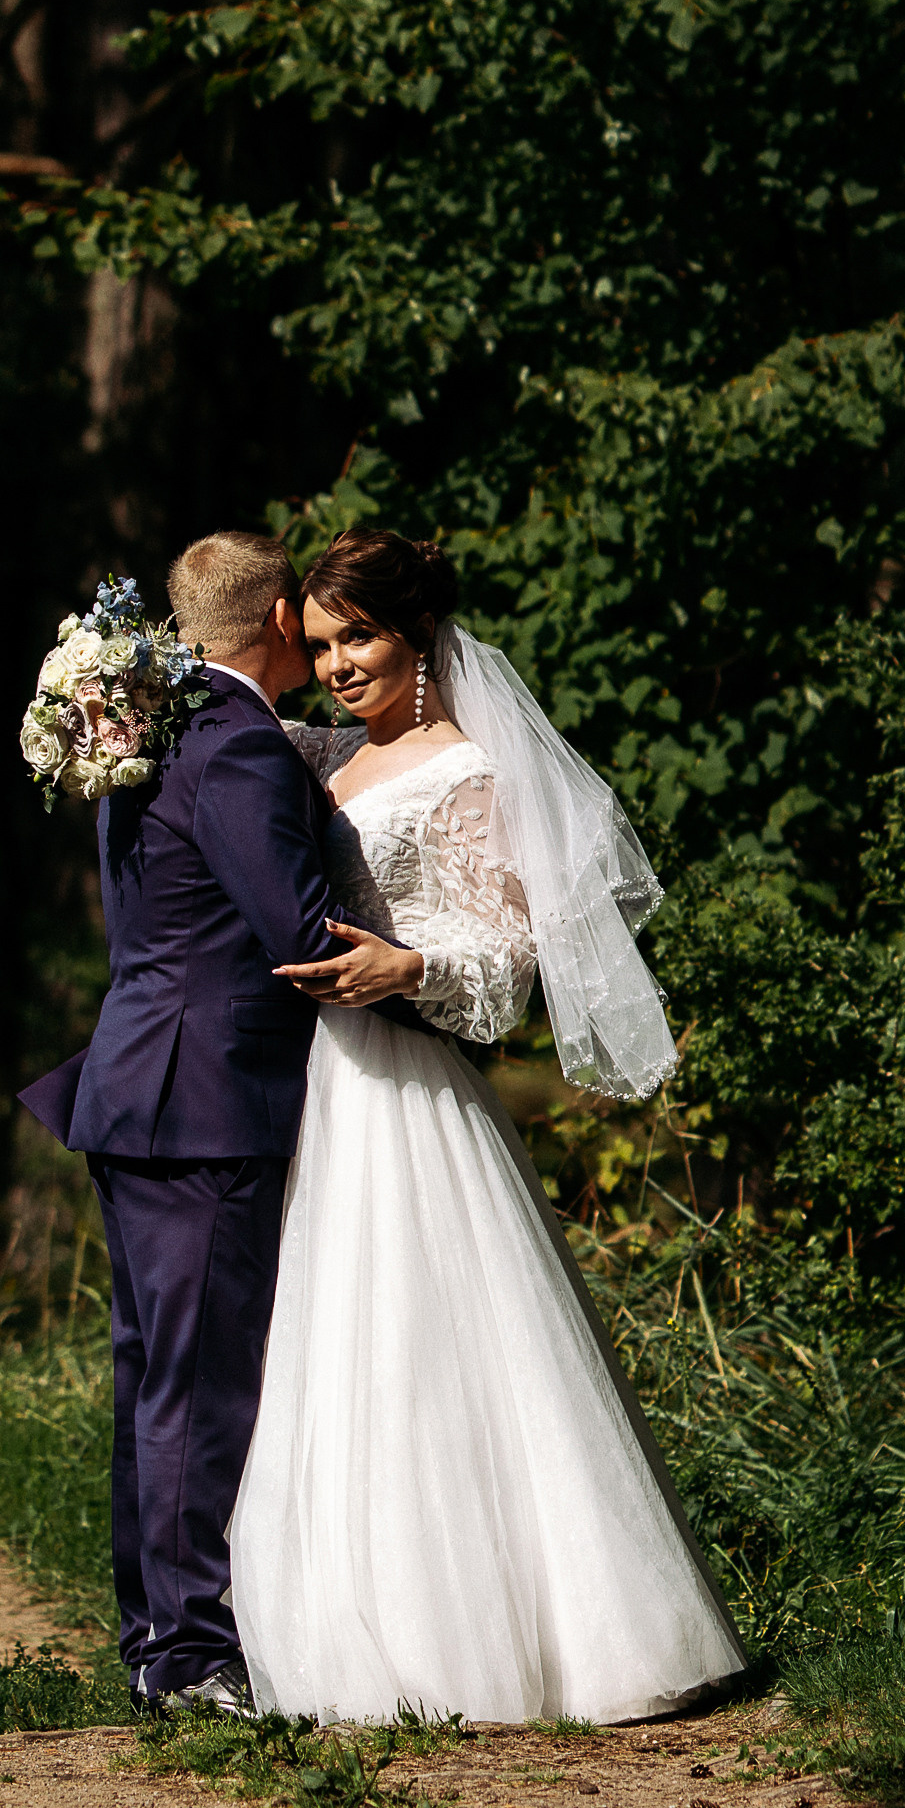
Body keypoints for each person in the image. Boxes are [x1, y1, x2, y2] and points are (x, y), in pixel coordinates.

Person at [226, 525, 747, 1725]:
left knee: (432, 1352)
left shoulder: (464, 771)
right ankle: (341, 1638)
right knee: (336, 1352)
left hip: (412, 1091)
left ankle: (516, 1647)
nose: (340, 662)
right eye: (319, 642)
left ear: (417, 637)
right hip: (322, 1084)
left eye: (358, 635)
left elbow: (505, 962)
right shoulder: (310, 754)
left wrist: (404, 969)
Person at [18, 529, 435, 1715]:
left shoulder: (149, 721)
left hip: (135, 1082)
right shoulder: (238, 743)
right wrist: (409, 965)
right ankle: (190, 1658)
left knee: (153, 1379)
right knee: (196, 1389)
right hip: (204, 1100)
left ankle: (155, 1635)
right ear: (274, 619)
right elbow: (296, 935)